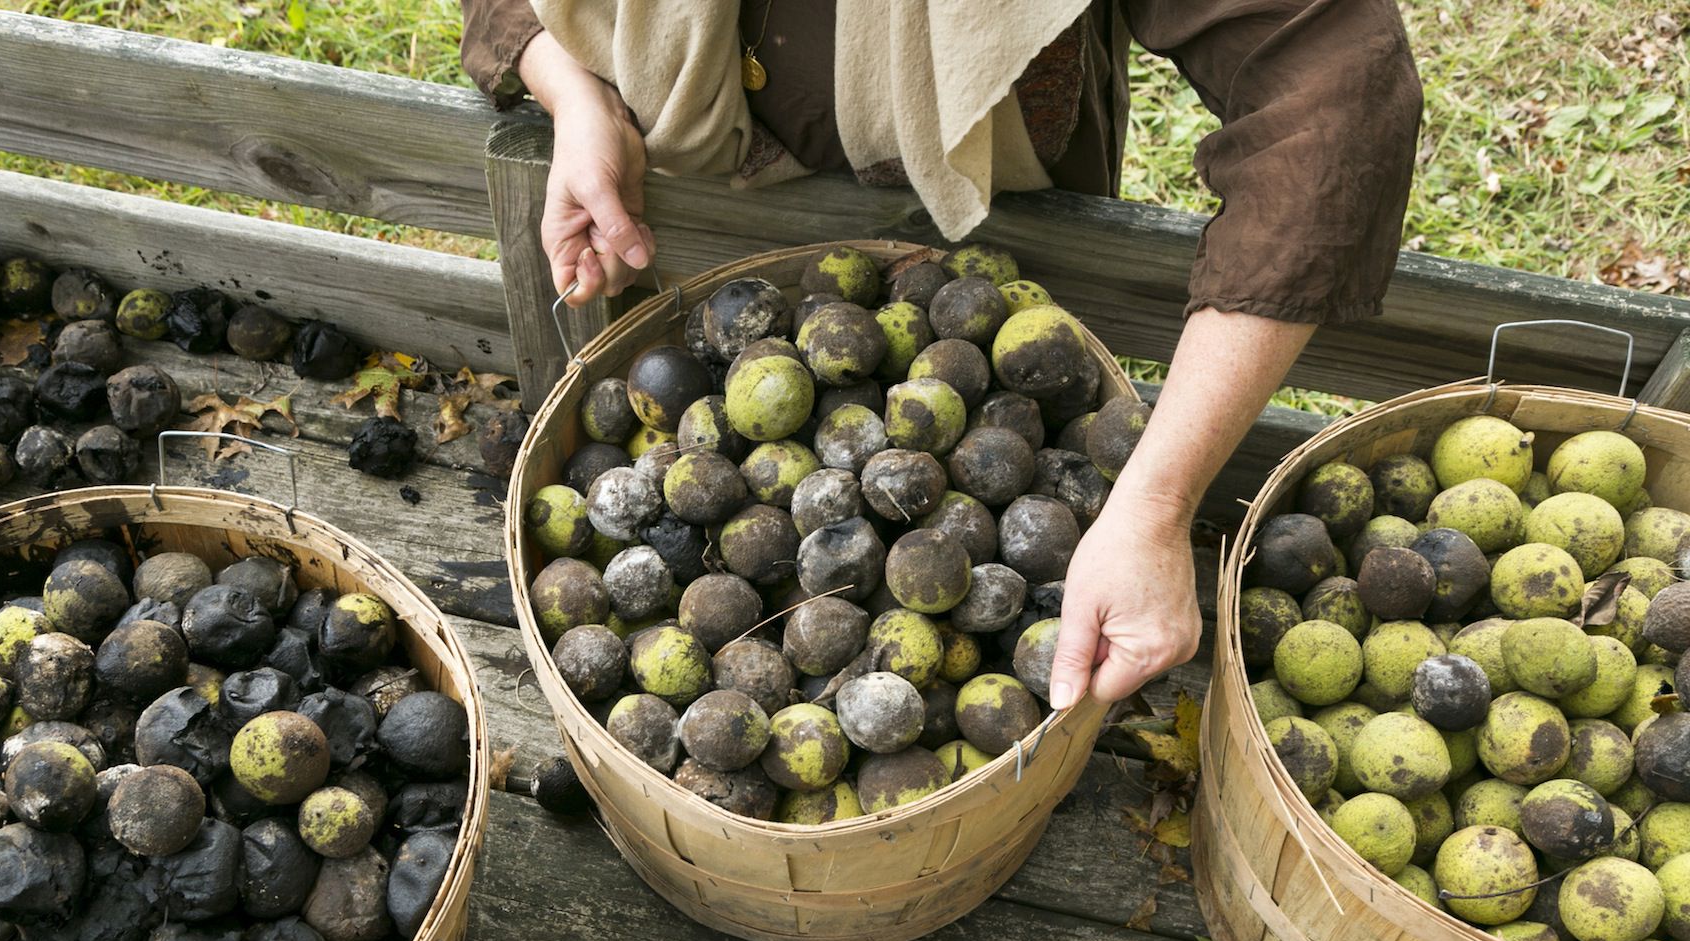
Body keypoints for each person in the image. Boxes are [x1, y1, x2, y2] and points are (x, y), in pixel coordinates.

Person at [461, 1, 1423, 712]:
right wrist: (573, 87)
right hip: (688, 247)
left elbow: (1334, 96)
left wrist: (1155, 503)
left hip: (1005, 245)